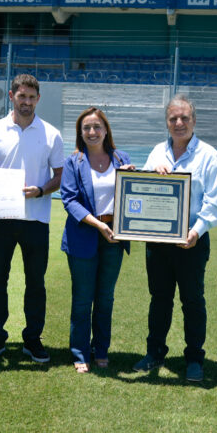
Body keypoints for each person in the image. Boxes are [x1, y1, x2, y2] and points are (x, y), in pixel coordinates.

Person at [132, 94, 217, 382]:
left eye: (184, 117)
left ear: (194, 121)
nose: (179, 122)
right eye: (173, 118)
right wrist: (150, 173)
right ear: (167, 122)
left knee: (192, 300)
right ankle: (154, 352)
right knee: (159, 298)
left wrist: (196, 231)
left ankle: (195, 358)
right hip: (158, 242)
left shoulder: (209, 155)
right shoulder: (157, 152)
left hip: (192, 242)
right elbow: (143, 190)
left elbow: (214, 203)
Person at [0, 74, 64, 364]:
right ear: (11, 96)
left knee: (36, 282)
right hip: (0, 220)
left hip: (36, 220)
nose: (26, 102)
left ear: (38, 99)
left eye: (31, 97)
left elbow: (60, 176)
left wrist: (40, 190)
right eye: (21, 96)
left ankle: (32, 338)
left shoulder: (51, 134)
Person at [60, 107, 134, 373]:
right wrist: (98, 224)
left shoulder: (121, 158)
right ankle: (80, 353)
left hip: (115, 236)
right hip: (84, 236)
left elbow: (134, 194)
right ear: (80, 133)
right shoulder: (73, 161)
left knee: (105, 298)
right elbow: (69, 201)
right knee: (82, 299)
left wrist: (133, 176)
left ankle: (101, 349)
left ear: (106, 130)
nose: (92, 132)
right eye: (86, 128)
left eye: (97, 127)